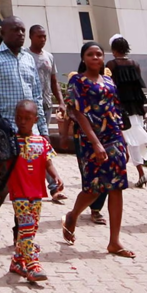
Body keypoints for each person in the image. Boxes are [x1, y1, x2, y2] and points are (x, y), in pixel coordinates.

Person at [61, 42, 133, 258]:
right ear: (83, 58)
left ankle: (114, 242)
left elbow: (114, 111)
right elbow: (78, 113)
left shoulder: (109, 81)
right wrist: (95, 142)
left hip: (113, 137)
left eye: (99, 54)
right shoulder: (77, 81)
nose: (95, 57)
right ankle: (73, 215)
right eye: (90, 54)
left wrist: (123, 141)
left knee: (116, 187)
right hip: (90, 139)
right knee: (94, 187)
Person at [0, 15, 47, 245]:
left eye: (22, 30)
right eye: (15, 30)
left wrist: (42, 129)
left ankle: (22, 234)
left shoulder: (28, 58)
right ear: (3, 33)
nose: (20, 34)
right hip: (5, 130)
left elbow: (36, 95)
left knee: (28, 182)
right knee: (8, 180)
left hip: (31, 131)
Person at [7, 100, 64, 284]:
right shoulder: (11, 142)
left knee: (32, 228)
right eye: (19, 118)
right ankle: (33, 265)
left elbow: (48, 162)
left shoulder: (42, 142)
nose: (23, 122)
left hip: (37, 193)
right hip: (19, 193)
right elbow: (3, 167)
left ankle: (17, 261)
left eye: (27, 118)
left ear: (35, 120)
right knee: (26, 227)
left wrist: (56, 176)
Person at [107, 35, 147, 187]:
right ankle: (139, 172)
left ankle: (134, 173)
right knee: (134, 140)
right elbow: (138, 87)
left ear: (113, 49)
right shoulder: (135, 64)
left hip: (119, 106)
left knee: (127, 139)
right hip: (135, 106)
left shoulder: (111, 65)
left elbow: (109, 86)